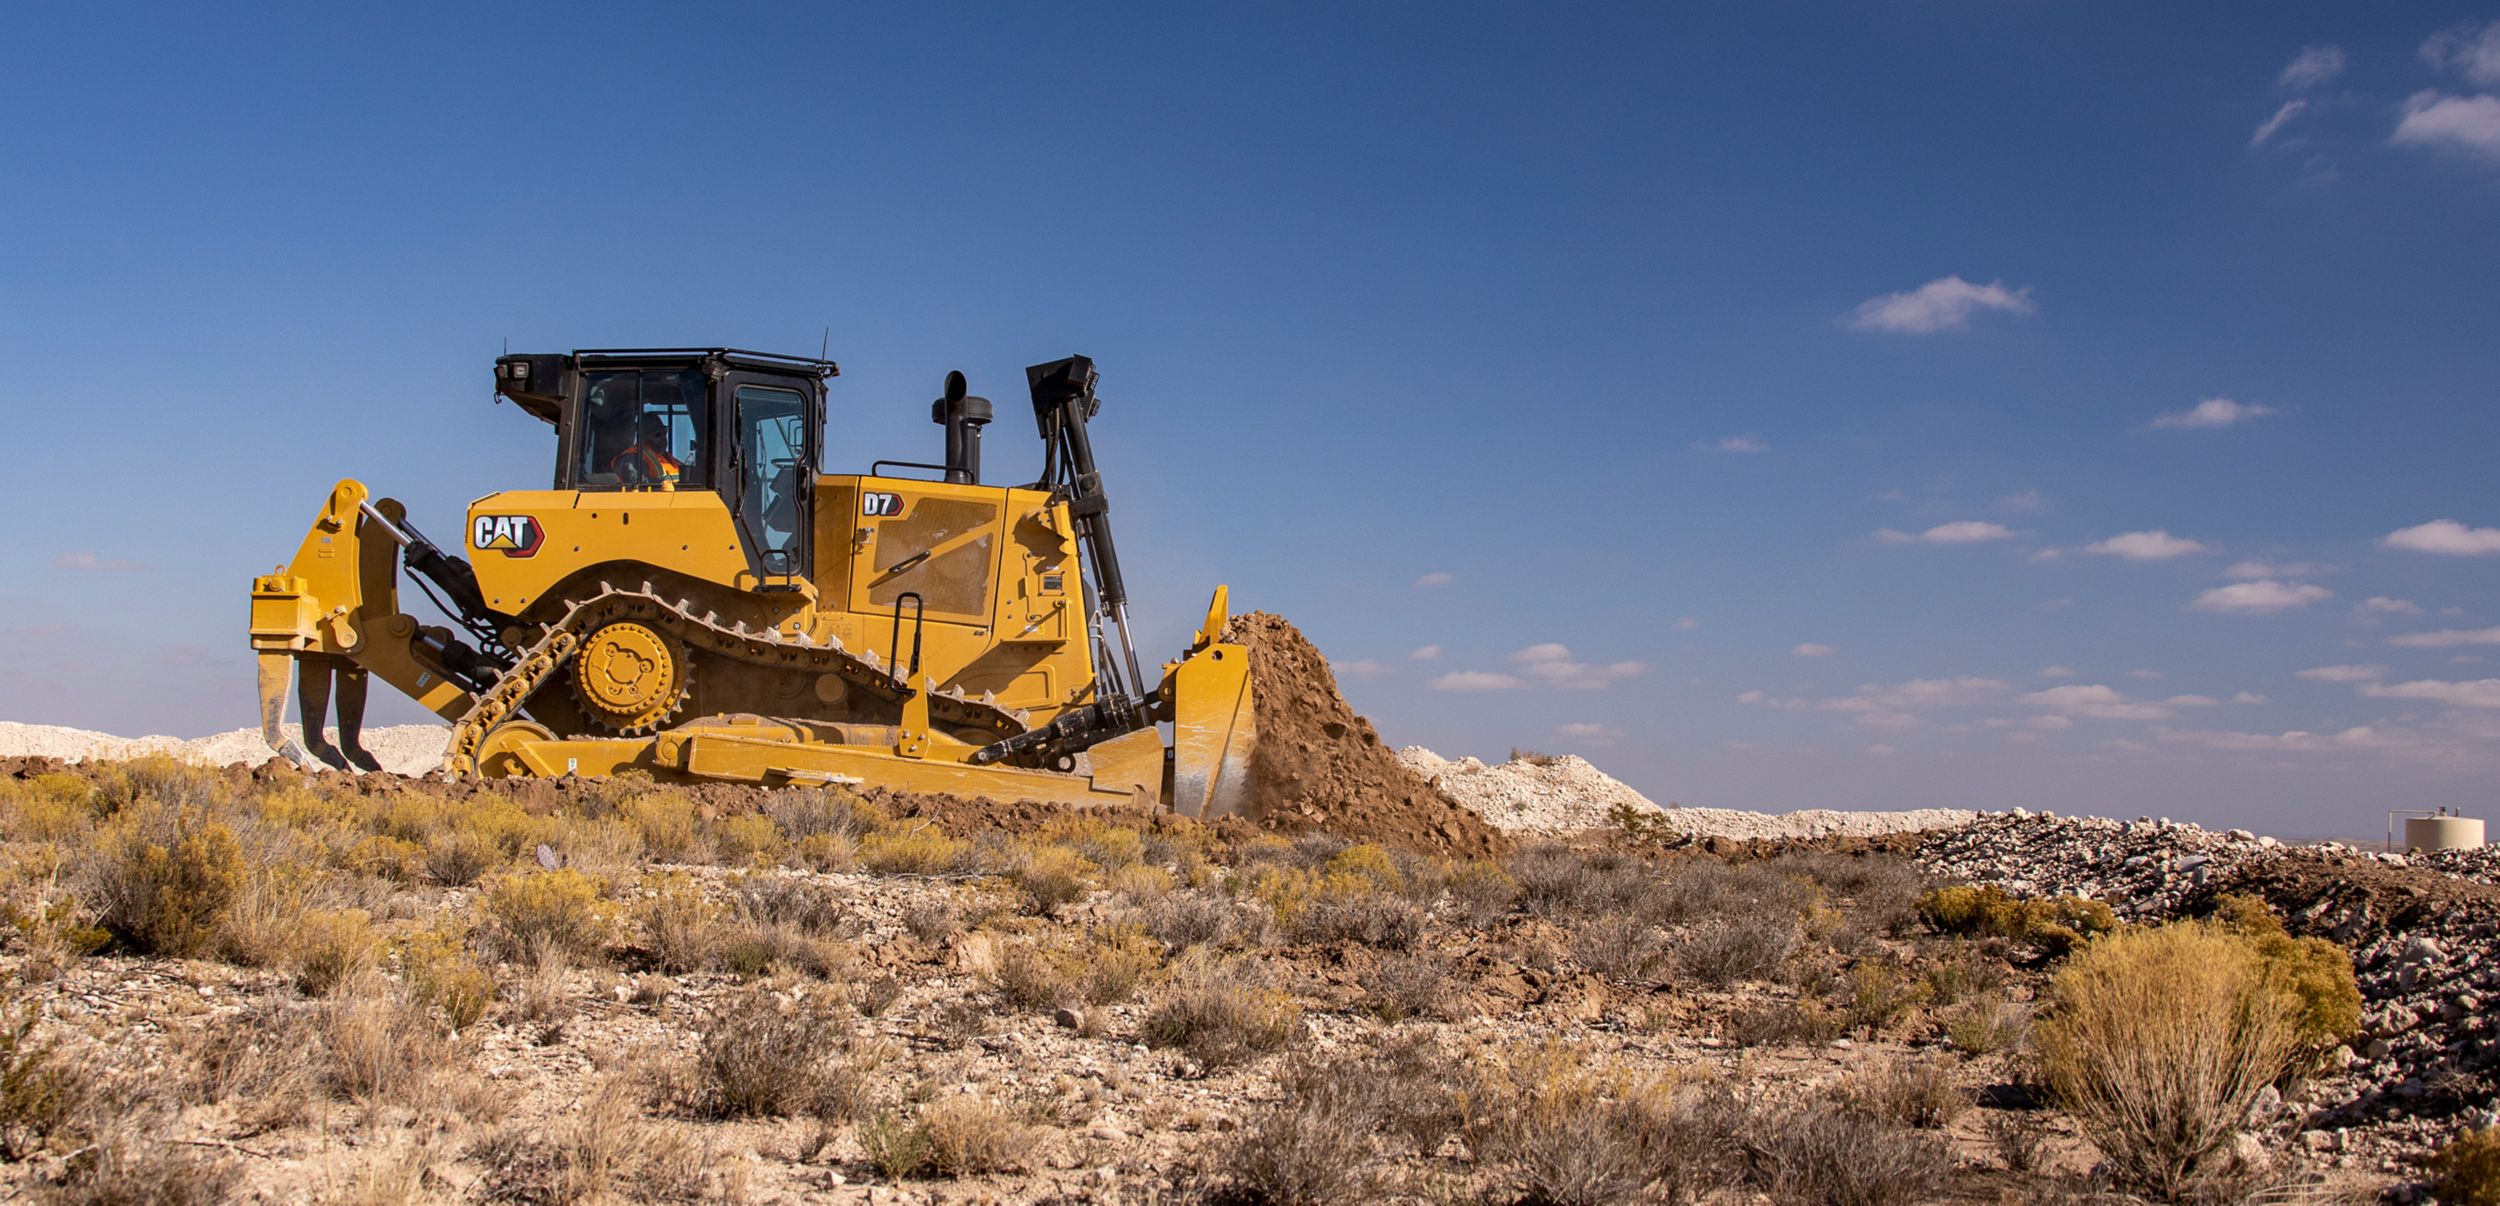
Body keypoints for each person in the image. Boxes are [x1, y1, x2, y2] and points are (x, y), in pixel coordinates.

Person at [612, 412, 682, 486]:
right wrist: (662, 483)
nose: (664, 438)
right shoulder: (632, 458)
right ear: (644, 437)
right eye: (658, 434)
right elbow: (636, 484)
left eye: (664, 432)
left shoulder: (667, 457)